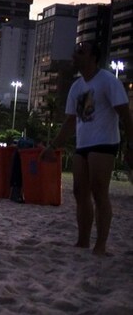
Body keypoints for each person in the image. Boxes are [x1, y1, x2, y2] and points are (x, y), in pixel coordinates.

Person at [43, 40, 133, 256]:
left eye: (81, 52)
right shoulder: (77, 86)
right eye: (75, 51)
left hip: (104, 142)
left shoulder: (108, 81)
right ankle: (82, 241)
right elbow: (70, 121)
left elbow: (125, 114)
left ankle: (100, 245)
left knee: (99, 191)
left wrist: (130, 145)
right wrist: (53, 146)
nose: (75, 55)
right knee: (79, 192)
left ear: (93, 57)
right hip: (83, 144)